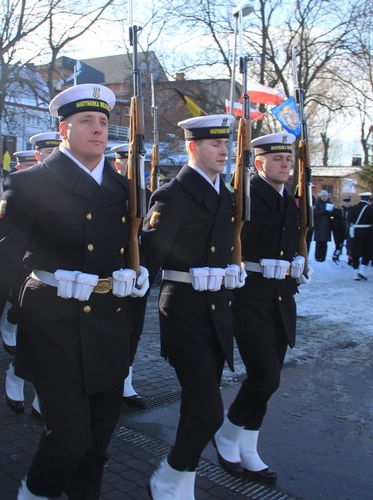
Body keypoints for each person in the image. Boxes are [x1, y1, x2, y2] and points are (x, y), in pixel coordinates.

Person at [0, 83, 148, 499]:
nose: (97, 129)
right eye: (85, 121)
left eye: (103, 122)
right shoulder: (30, 184)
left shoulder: (123, 188)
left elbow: (137, 248)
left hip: (110, 327)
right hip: (54, 326)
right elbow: (0, 263)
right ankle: (34, 493)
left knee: (97, 443)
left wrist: (143, 273)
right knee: (68, 438)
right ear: (63, 129)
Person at [141, 114, 244, 497]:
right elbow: (149, 256)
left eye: (225, 144)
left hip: (217, 308)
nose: (223, 151)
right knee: (209, 411)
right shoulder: (172, 194)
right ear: (192, 147)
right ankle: (168, 476)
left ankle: (178, 483)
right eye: (214, 144)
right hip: (184, 310)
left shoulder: (229, 194)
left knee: (197, 405)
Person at [213, 132, 305, 486]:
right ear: (260, 162)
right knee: (265, 376)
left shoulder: (292, 200)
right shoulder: (245, 196)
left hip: (281, 296)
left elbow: (294, 239)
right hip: (249, 297)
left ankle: (248, 447)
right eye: (277, 159)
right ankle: (228, 431)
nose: (285, 165)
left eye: (288, 160)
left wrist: (298, 260)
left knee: (268, 380)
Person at [0, 131, 62, 418]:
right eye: (46, 153)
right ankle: (15, 375)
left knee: (56, 351)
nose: (52, 157)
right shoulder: (28, 184)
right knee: (32, 342)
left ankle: (42, 399)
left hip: (71, 283)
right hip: (31, 273)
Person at [106, 141, 150, 407]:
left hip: (136, 272)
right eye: (130, 163)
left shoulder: (146, 194)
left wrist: (145, 269)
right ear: (118, 164)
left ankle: (126, 382)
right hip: (110, 274)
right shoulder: (108, 191)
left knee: (133, 330)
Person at [347, 191, 373, 280]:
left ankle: (355, 273)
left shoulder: (353, 208)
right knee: (367, 252)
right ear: (368, 199)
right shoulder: (370, 209)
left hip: (355, 232)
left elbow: (349, 220)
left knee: (355, 252)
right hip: (367, 232)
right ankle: (362, 270)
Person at [313, 189, 333, 262]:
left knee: (325, 243)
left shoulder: (330, 203)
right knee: (319, 242)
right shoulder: (317, 204)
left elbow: (332, 213)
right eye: (323, 196)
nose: (324, 198)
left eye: (326, 196)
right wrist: (323, 212)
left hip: (327, 226)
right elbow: (315, 213)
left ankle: (323, 257)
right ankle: (317, 256)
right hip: (319, 225)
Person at [332, 196, 349, 264]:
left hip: (348, 230)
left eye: (348, 202)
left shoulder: (352, 209)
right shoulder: (340, 209)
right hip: (339, 230)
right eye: (346, 202)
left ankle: (350, 258)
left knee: (349, 245)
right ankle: (336, 255)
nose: (347, 204)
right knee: (339, 244)